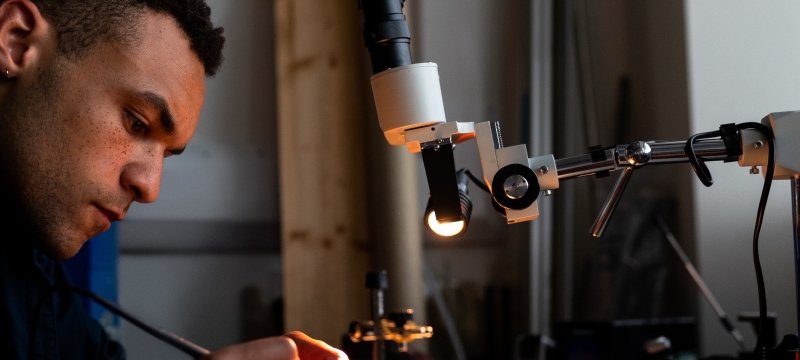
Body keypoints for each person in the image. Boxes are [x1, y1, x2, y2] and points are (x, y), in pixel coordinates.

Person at [0, 0, 347, 359]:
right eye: (136, 122)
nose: (149, 187)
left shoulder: (28, 259)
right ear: (17, 41)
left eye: (166, 154)